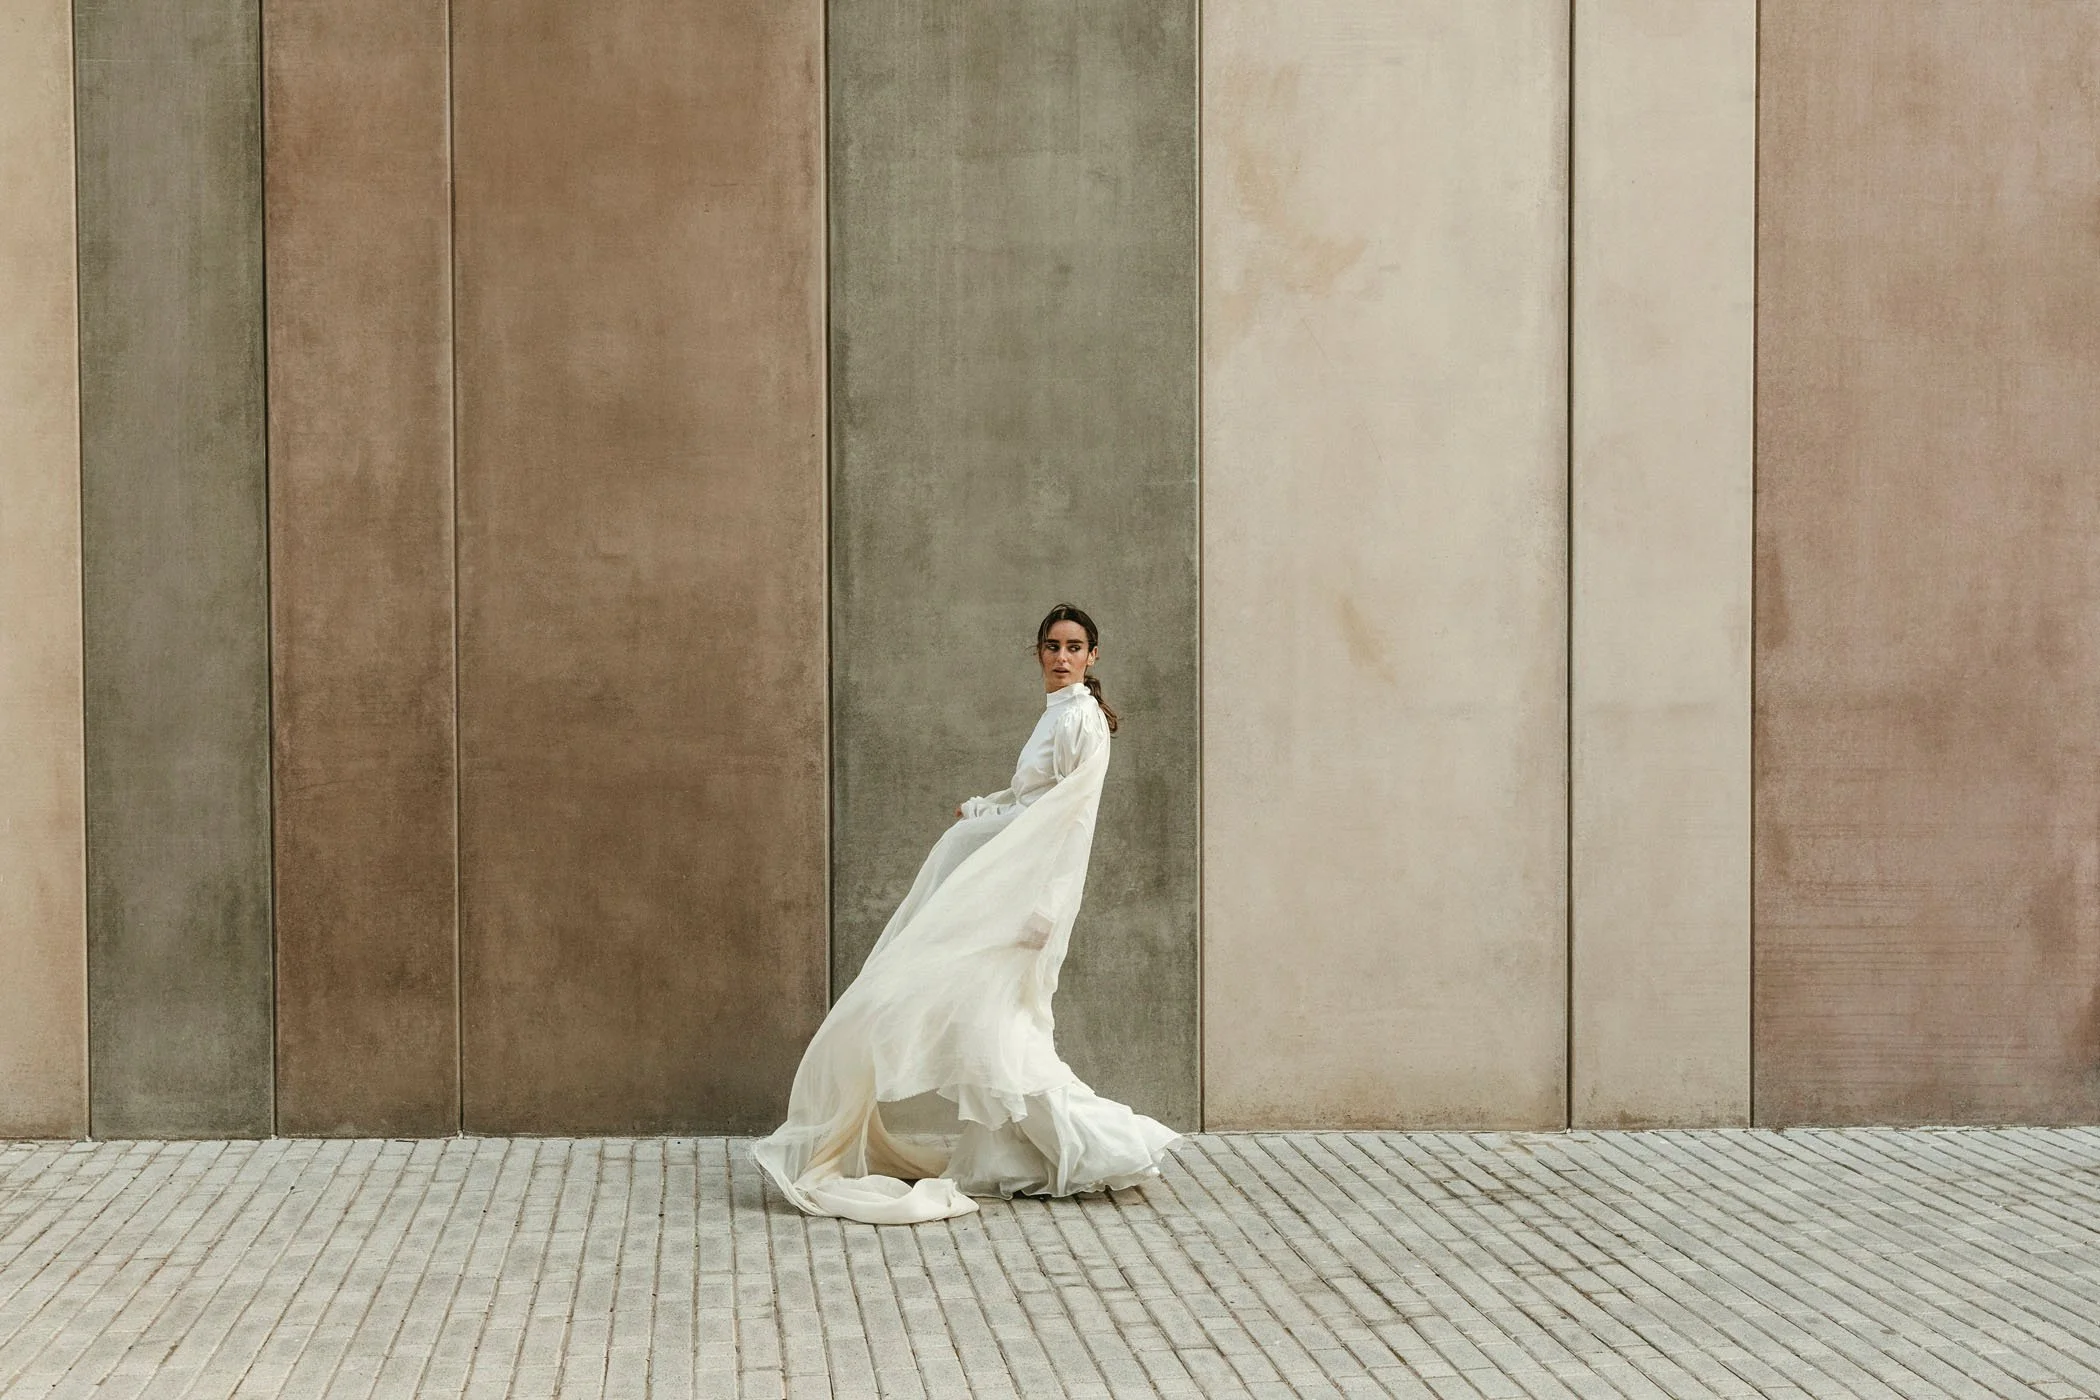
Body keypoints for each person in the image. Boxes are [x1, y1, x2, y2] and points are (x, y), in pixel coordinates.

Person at [752, 603, 1179, 1224]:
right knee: (992, 1022)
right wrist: (981, 810)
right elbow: (1032, 799)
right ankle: (1012, 1155)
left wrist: (1046, 910)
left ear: (1093, 657)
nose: (1062, 658)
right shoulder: (1058, 714)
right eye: (1052, 646)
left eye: (1074, 647)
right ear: (1038, 653)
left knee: (1002, 1023)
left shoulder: (1080, 719)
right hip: (1010, 891)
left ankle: (1099, 1145)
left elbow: (1068, 823)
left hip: (1026, 901)